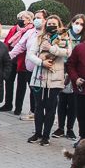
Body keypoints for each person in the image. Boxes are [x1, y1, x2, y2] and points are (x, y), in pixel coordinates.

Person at [26, 15, 70, 146]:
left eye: (54, 24)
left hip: (55, 78)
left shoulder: (65, 38)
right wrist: (41, 62)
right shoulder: (40, 38)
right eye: (49, 23)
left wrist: (51, 48)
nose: (51, 26)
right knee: (39, 106)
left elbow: (68, 53)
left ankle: (46, 135)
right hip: (40, 76)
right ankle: (38, 132)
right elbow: (31, 54)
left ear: (59, 25)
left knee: (51, 107)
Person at [9, 9, 47, 120]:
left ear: (45, 20)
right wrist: (9, 56)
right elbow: (20, 46)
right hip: (30, 68)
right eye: (35, 18)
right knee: (33, 90)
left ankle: (43, 113)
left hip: (43, 68)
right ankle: (33, 111)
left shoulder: (48, 34)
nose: (36, 20)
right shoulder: (30, 33)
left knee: (43, 93)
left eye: (39, 18)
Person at [54, 14, 85, 139]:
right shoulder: (63, 35)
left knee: (73, 103)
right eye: (76, 23)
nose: (78, 26)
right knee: (62, 101)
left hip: (76, 73)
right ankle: (60, 127)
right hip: (62, 70)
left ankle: (70, 128)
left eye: (81, 24)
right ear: (72, 22)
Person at [1, 10, 34, 114]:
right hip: (11, 59)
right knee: (8, 82)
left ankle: (18, 107)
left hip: (23, 61)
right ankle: (8, 104)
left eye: (24, 18)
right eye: (20, 17)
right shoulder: (14, 29)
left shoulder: (31, 31)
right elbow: (7, 41)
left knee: (21, 85)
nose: (21, 20)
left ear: (29, 20)